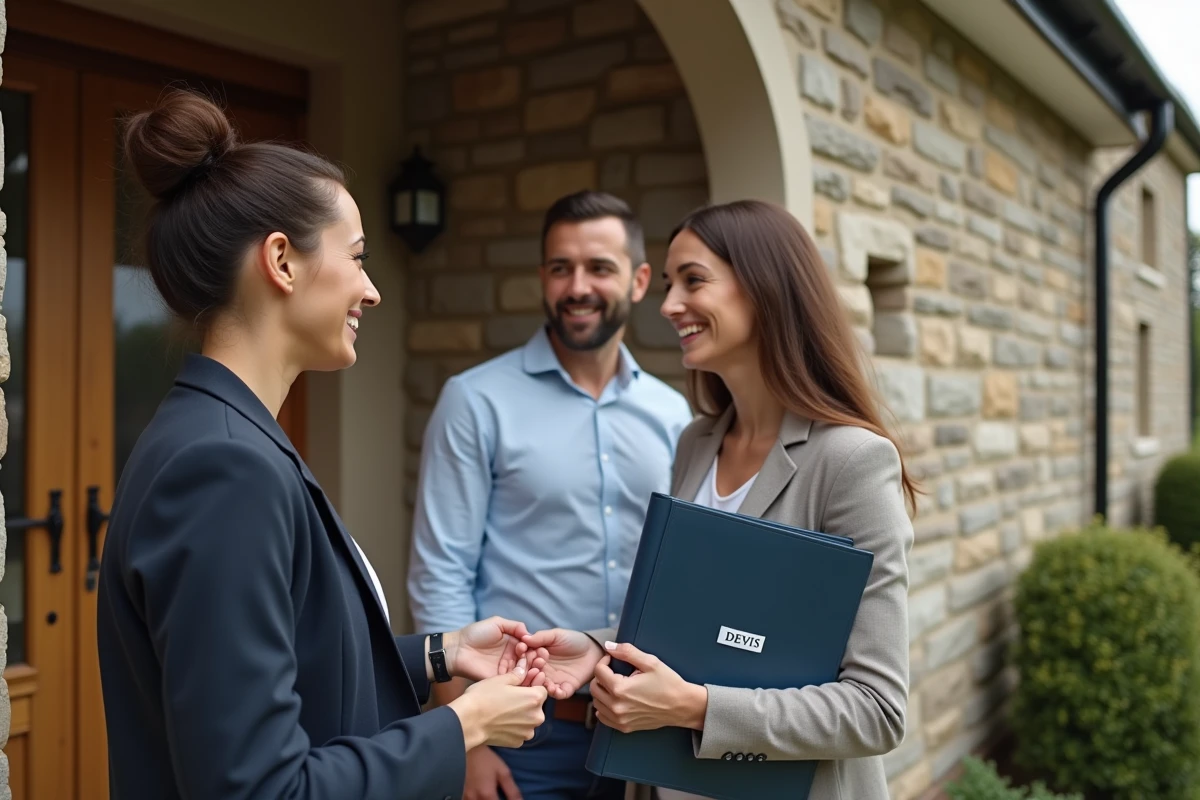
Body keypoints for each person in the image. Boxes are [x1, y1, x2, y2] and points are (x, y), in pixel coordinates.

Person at [95, 89, 549, 800]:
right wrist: (463, 726)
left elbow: (296, 665)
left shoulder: (232, 436)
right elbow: (258, 788)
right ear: (281, 260)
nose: (371, 290)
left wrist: (441, 653)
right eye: (359, 257)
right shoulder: (223, 468)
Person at [518, 199, 917, 800]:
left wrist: (696, 707)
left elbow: (877, 708)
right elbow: (697, 626)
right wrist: (600, 647)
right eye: (671, 282)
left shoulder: (851, 463)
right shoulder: (696, 442)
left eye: (694, 280)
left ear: (766, 289)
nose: (671, 303)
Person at [406, 190, 694, 799]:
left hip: (640, 730)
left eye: (599, 268)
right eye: (560, 268)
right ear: (542, 277)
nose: (577, 286)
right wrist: (469, 738)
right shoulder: (476, 401)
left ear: (640, 280)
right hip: (518, 732)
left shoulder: (673, 416)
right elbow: (440, 574)